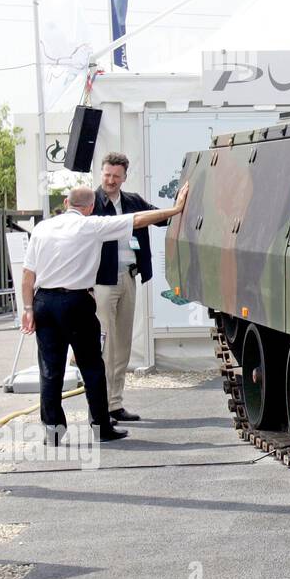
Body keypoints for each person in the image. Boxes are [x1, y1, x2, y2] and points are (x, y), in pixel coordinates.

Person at [21, 183, 189, 444]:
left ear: (66, 203)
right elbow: (138, 219)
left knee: (50, 369)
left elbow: (27, 274)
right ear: (89, 208)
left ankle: (53, 432)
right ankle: (101, 427)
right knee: (92, 366)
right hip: (76, 301)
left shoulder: (42, 228)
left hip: (44, 301)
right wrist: (176, 209)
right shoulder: (91, 226)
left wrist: (28, 308)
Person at [93, 152, 165, 422]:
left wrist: (183, 205)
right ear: (102, 174)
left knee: (122, 343)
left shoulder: (133, 201)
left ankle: (115, 404)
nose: (110, 180)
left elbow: (162, 218)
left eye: (116, 176)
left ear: (124, 177)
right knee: (105, 345)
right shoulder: (93, 202)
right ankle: (99, 406)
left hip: (129, 277)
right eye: (107, 175)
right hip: (102, 281)